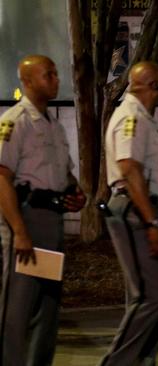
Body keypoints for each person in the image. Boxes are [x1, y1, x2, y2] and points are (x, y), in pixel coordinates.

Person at [100, 61, 158, 365]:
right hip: (137, 213)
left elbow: (155, 177)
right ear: (152, 85)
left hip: (149, 211)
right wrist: (151, 222)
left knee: (147, 298)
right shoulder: (131, 118)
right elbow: (130, 171)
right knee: (149, 298)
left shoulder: (145, 118)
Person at [0, 55, 86, 365]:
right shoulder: (14, 122)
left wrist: (76, 193)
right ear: (27, 81)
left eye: (54, 73)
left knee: (47, 305)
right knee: (18, 308)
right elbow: (2, 177)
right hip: (27, 220)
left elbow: (64, 173)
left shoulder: (52, 124)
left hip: (51, 222)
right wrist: (19, 231)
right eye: (47, 75)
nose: (55, 79)